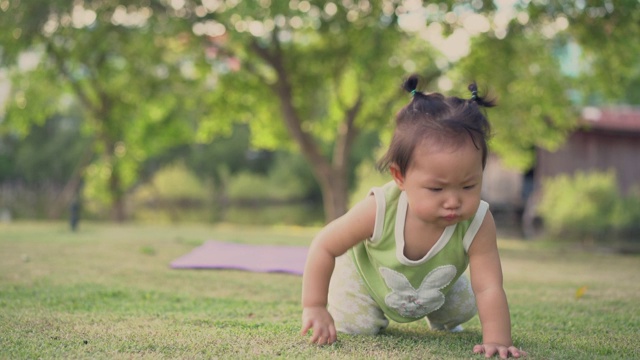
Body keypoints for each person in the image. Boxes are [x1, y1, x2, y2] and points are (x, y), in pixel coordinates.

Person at [300, 75, 525, 359]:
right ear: (400, 177)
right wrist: (315, 306)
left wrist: (498, 340)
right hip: (367, 280)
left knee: (466, 306)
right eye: (436, 188)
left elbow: (490, 285)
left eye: (469, 186)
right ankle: (364, 311)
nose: (454, 201)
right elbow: (324, 245)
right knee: (358, 326)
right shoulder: (380, 208)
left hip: (433, 285)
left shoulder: (478, 221)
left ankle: (437, 313)